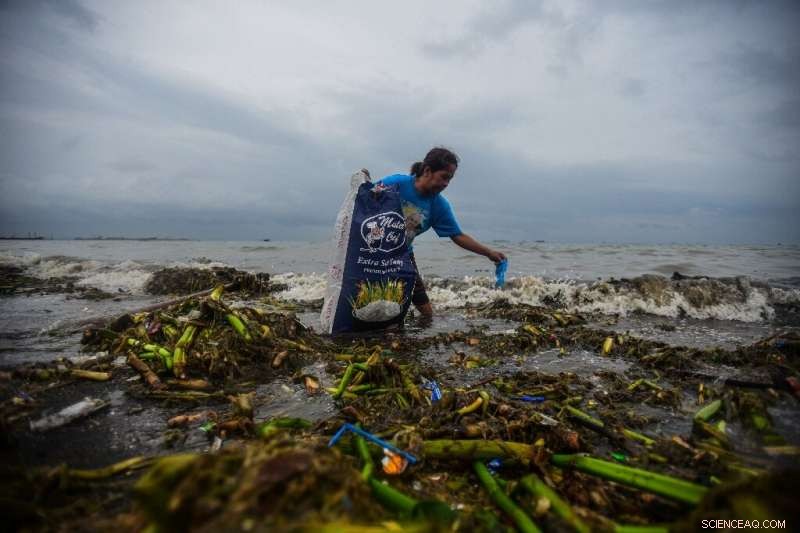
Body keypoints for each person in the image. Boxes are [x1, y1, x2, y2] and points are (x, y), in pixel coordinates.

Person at [379, 147, 507, 318]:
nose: (446, 184)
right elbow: (366, 197)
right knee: (370, 298)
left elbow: (458, 235)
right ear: (427, 171)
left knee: (427, 313)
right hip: (372, 251)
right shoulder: (396, 184)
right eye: (444, 177)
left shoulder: (438, 205)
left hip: (403, 255)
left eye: (450, 179)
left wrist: (489, 252)